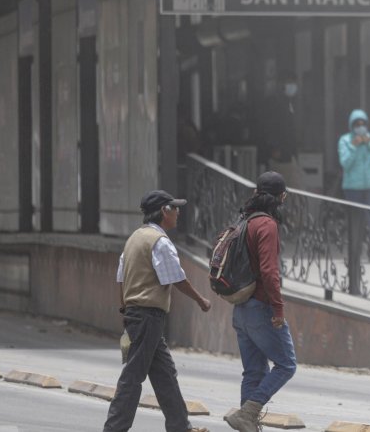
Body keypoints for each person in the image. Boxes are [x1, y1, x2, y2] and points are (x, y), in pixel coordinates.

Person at [104, 190, 212, 432]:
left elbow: (121, 278)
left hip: (138, 315)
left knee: (165, 374)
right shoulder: (159, 242)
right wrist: (201, 300)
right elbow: (176, 278)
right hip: (148, 316)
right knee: (132, 377)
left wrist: (125, 309)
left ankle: (180, 427)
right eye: (175, 208)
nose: (178, 212)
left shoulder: (134, 239)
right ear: (164, 211)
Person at [224, 172, 298, 432]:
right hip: (260, 307)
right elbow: (269, 271)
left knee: (254, 371)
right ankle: (250, 411)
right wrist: (278, 308)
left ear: (256, 193)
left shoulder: (245, 220)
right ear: (282, 197)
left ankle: (246, 422)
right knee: (286, 364)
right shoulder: (267, 225)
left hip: (241, 307)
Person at [339, 109, 370, 259]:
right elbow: (345, 163)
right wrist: (354, 146)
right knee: (355, 221)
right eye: (357, 124)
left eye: (363, 124)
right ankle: (354, 251)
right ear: (351, 126)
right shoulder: (345, 140)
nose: (360, 127)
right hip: (352, 188)